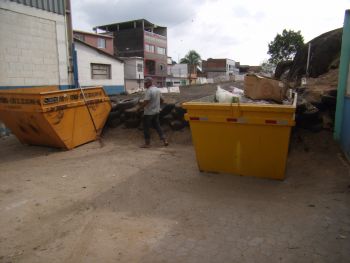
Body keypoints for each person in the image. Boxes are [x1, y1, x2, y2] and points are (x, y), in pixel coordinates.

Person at [139, 77, 168, 148]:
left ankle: (147, 144)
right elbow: (162, 100)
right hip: (156, 112)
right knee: (157, 126)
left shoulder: (149, 91)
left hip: (148, 113)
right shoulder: (157, 90)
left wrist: (139, 108)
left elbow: (146, 102)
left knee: (146, 127)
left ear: (149, 83)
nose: (145, 84)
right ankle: (165, 140)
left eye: (145, 83)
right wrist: (157, 106)